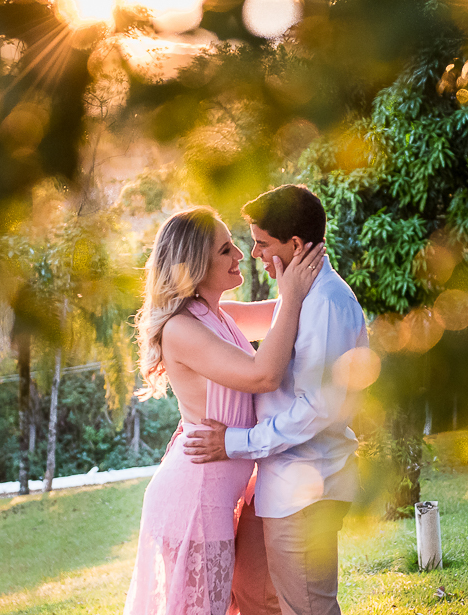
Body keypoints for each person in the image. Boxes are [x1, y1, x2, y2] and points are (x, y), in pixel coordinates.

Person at [123, 207, 325, 615]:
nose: (241, 255)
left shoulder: (218, 315)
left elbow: (288, 312)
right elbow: (263, 374)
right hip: (193, 502)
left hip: (213, 498)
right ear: (194, 266)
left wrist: (299, 266)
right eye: (225, 249)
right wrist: (294, 291)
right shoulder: (182, 328)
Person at [185, 185, 368, 615]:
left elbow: (317, 409)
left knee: (307, 609)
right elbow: (236, 321)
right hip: (290, 487)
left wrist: (234, 442)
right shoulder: (298, 296)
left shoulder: (324, 303)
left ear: (296, 245)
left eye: (261, 243)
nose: (252, 254)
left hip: (306, 489)